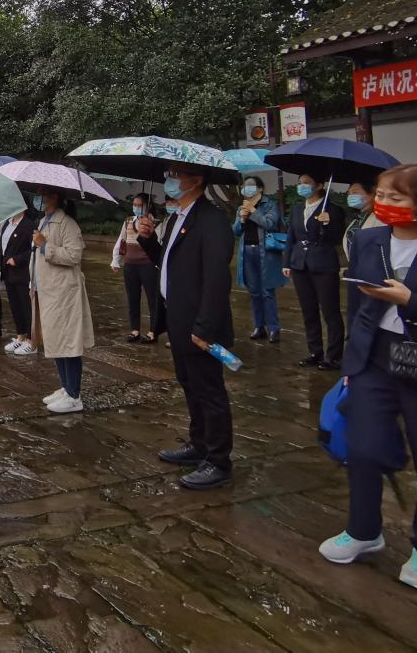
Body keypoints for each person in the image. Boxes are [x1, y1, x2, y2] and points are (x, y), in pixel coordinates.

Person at [318, 163, 417, 593]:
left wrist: (410, 300)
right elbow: (356, 306)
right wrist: (351, 364)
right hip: (373, 359)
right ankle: (363, 530)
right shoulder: (368, 239)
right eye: (380, 195)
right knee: (361, 446)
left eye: (395, 197)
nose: (383, 203)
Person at [137, 164, 236, 490]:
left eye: (176, 175)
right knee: (190, 385)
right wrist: (147, 240)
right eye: (167, 174)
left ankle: (218, 460)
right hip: (177, 318)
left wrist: (205, 328)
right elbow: (168, 263)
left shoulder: (212, 221)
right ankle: (200, 444)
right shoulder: (177, 217)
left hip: (200, 324)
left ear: (196, 180)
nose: (169, 180)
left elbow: (216, 279)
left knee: (209, 390)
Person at [32, 191, 95, 413]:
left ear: (54, 197)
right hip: (49, 291)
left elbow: (73, 256)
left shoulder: (68, 224)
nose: (38, 198)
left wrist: (44, 246)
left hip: (64, 293)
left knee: (69, 342)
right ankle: (65, 387)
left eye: (42, 194)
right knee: (56, 340)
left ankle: (74, 395)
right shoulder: (43, 221)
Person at [284, 172, 346, 370]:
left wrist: (328, 223)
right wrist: (287, 262)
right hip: (300, 265)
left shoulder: (333, 209)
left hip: (324, 265)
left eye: (306, 183)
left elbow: (337, 238)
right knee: (308, 310)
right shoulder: (297, 208)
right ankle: (314, 352)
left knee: (330, 312)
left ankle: (334, 356)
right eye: (300, 183)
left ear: (319, 185)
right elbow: (291, 237)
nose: (301, 186)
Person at [233, 175, 287, 344]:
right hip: (247, 252)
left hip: (266, 252)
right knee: (254, 292)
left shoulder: (269, 204)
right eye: (245, 186)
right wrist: (242, 219)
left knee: (267, 291)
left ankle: (274, 329)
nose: (246, 188)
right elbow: (235, 231)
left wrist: (254, 211)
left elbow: (270, 223)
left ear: (260, 189)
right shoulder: (241, 207)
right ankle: (259, 327)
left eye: (251, 185)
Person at [112, 194, 159, 344]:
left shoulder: (155, 223)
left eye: (140, 205)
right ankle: (135, 330)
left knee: (153, 300)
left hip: (148, 265)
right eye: (135, 205)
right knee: (132, 298)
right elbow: (121, 241)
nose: (136, 208)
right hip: (130, 265)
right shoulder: (128, 221)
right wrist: (115, 260)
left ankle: (153, 331)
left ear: (148, 206)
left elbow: (159, 244)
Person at [344, 179, 382, 328]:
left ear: (372, 194)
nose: (350, 196)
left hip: (371, 277)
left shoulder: (380, 220)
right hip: (355, 274)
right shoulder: (359, 218)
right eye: (349, 193)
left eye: (355, 192)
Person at [0, 207, 37, 356]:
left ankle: (31, 340)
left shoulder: (29, 225)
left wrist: (18, 259)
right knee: (15, 306)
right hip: (8, 271)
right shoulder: (7, 223)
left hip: (22, 272)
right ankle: (20, 336)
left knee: (25, 306)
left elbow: (33, 249)